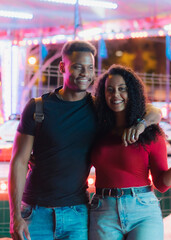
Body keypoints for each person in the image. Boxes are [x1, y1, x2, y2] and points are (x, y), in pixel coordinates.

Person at [8, 41, 161, 240]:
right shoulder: (38, 108)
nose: (85, 73)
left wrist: (140, 125)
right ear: (62, 67)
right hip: (35, 213)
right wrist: (15, 216)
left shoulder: (98, 109)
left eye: (89, 68)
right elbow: (18, 161)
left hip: (77, 214)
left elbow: (154, 111)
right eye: (78, 66)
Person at [89, 64, 171, 240]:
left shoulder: (149, 133)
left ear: (132, 92)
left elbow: (162, 184)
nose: (115, 95)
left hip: (143, 210)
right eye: (110, 90)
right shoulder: (96, 128)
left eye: (122, 89)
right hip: (103, 210)